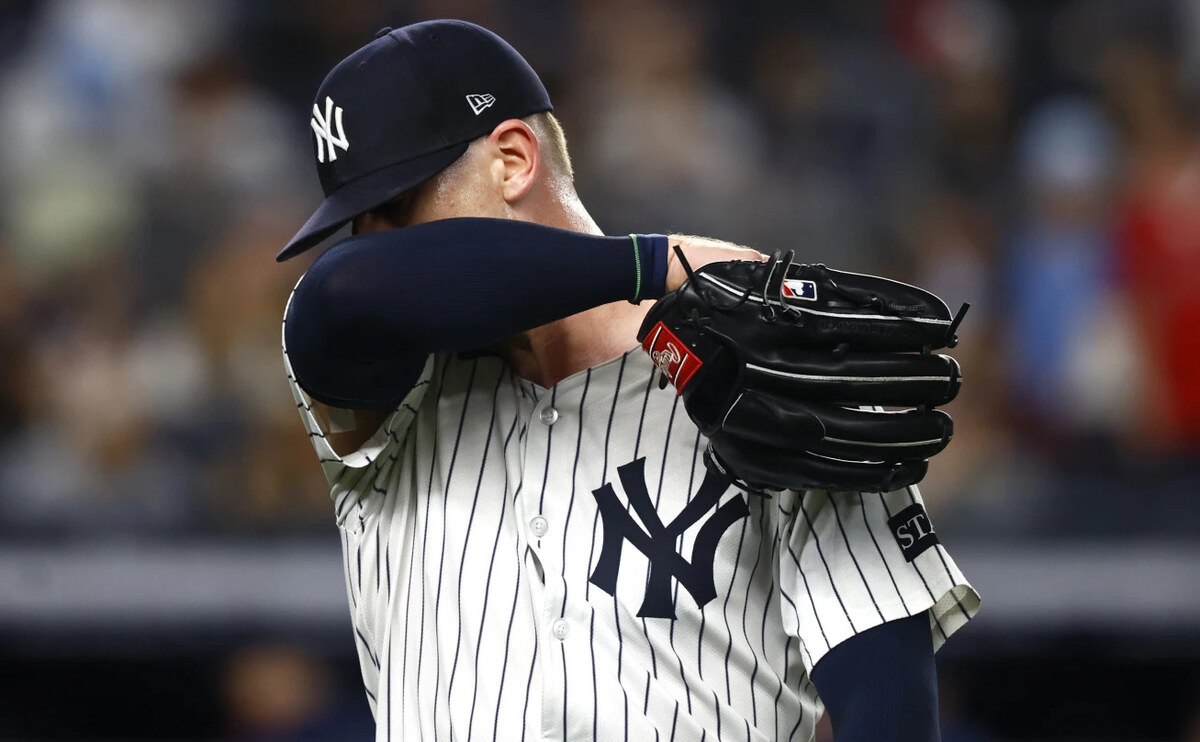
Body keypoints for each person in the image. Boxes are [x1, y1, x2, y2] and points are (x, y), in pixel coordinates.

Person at [278, 20, 978, 742]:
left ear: (513, 160)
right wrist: (657, 264)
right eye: (356, 226)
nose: (373, 246)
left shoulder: (773, 370)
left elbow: (885, 702)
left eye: (395, 211)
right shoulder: (385, 395)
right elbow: (343, 291)